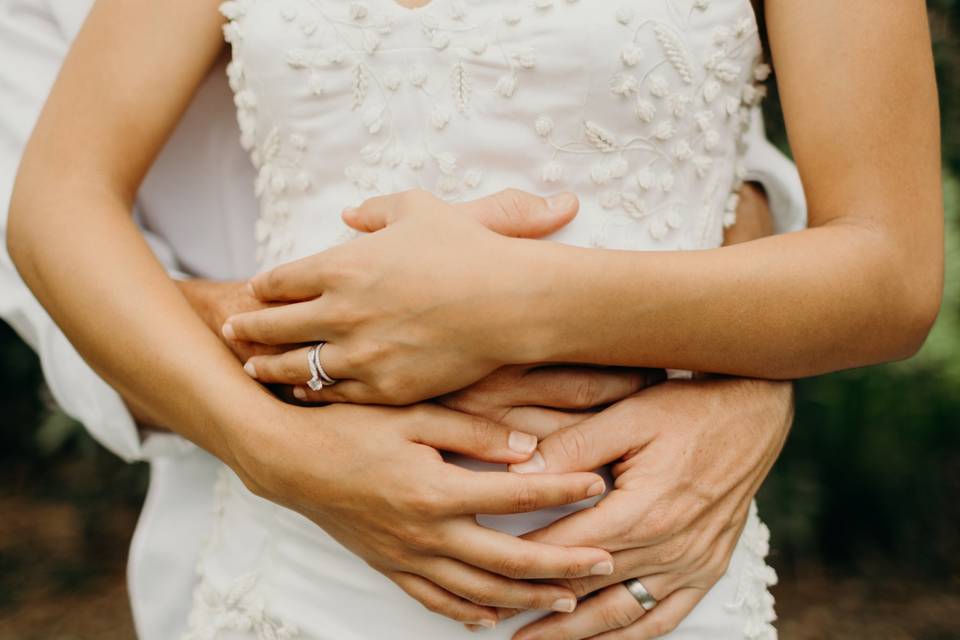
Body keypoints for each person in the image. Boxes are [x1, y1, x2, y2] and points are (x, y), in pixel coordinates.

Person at [5, 1, 923, 639]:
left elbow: (885, 266)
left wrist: (523, 303)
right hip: (301, 568)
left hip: (636, 570)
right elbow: (53, 204)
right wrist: (268, 448)